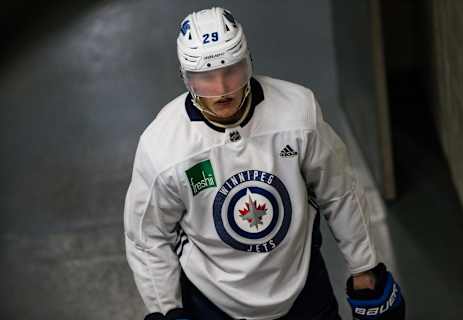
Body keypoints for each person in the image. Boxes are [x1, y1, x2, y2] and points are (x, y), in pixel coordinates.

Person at [124, 7, 405, 320]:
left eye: (230, 70)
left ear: (248, 63)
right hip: (212, 303)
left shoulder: (297, 113)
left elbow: (339, 191)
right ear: (186, 78)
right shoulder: (162, 146)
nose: (221, 89)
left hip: (303, 290)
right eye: (205, 77)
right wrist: (165, 310)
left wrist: (365, 267)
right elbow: (148, 235)